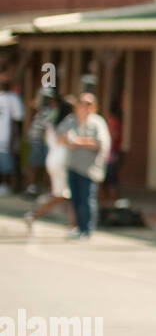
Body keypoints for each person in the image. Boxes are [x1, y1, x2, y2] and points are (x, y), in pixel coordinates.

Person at [56, 92, 110, 240]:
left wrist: (78, 142)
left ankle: (87, 229)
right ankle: (78, 227)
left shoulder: (97, 123)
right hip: (72, 165)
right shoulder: (70, 120)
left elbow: (100, 143)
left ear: (94, 107)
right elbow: (59, 137)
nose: (84, 107)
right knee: (75, 199)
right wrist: (69, 141)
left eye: (88, 104)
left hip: (89, 168)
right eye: (82, 103)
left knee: (87, 200)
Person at [24, 93, 75, 234]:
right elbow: (68, 142)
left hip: (52, 159)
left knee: (62, 195)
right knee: (68, 194)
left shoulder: (51, 121)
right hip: (62, 161)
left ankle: (33, 216)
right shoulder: (68, 123)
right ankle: (73, 226)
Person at [0, 74, 24, 195]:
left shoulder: (13, 98)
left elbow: (18, 120)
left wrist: (14, 139)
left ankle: (6, 186)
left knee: (7, 163)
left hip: (6, 137)